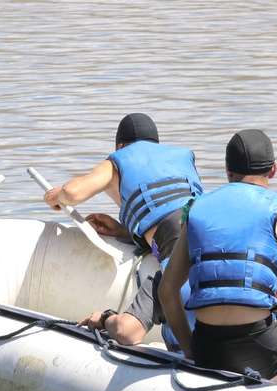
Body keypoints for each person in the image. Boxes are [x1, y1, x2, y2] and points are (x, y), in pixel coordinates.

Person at [158, 129, 277, 380]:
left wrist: (189, 349)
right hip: (259, 348)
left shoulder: (194, 209)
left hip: (206, 347)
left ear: (227, 170)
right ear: (273, 169)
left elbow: (167, 291)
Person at [42, 113, 204, 349]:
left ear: (120, 146)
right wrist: (124, 231)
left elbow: (73, 193)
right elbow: (176, 209)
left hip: (175, 239)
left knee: (182, 331)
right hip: (210, 229)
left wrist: (56, 196)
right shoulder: (182, 156)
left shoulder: (119, 159)